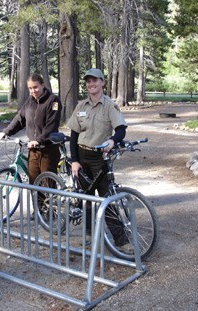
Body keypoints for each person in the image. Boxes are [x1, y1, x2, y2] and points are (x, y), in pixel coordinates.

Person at [66, 68, 128, 244]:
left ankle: (121, 241)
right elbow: (74, 135)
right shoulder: (81, 106)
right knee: (85, 197)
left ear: (102, 82)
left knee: (106, 199)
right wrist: (75, 161)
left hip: (100, 158)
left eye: (95, 80)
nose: (91, 84)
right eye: (88, 81)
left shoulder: (110, 105)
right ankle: (89, 234)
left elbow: (121, 129)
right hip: (82, 156)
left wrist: (113, 141)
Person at [0, 73, 62, 184]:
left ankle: (52, 201)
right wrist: (6, 132)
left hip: (48, 151)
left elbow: (51, 125)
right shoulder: (30, 101)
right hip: (33, 151)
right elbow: (20, 119)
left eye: (35, 87)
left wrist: (38, 140)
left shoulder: (53, 101)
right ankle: (38, 202)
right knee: (34, 186)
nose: (33, 91)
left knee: (48, 186)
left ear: (42, 85)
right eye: (30, 88)